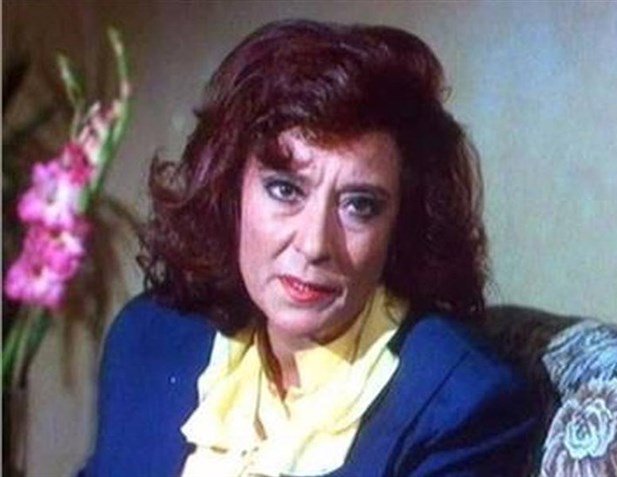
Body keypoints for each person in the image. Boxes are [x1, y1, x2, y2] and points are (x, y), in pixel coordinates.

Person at [80, 19, 537, 476]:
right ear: (230, 190)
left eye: (359, 205)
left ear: (400, 224)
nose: (315, 243)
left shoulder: (464, 404)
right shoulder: (148, 336)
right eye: (285, 190)